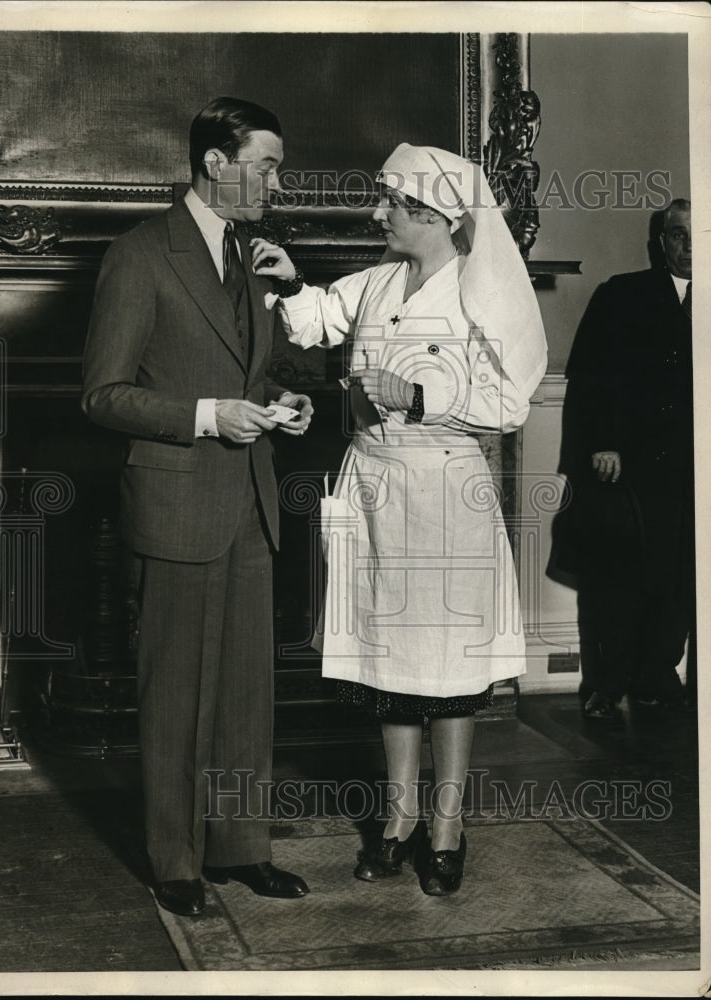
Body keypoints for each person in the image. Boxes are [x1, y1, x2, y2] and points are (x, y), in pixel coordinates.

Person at [251, 144, 547, 895]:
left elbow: (509, 406)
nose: (378, 213)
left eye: (389, 203)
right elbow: (316, 318)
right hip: (375, 495)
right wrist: (290, 283)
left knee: (448, 675)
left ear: (433, 215)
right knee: (390, 671)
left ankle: (446, 827)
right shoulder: (380, 281)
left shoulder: (480, 296)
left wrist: (420, 398)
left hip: (447, 496)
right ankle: (399, 820)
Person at [82, 97, 313, 917]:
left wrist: (286, 401)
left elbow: (266, 365)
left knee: (247, 692)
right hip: (176, 501)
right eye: (267, 164)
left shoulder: (251, 254)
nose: (276, 182)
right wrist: (209, 416)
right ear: (216, 162)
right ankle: (175, 861)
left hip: (249, 502)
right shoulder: (142, 255)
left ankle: (242, 848)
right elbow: (103, 395)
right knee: (176, 693)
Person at [554, 199, 694, 720]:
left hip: (694, 470)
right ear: (662, 242)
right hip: (633, 467)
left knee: (680, 577)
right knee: (618, 579)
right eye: (677, 235)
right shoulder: (624, 294)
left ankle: (659, 675)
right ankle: (606, 686)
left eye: (697, 234)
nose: (688, 247)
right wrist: (604, 442)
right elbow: (593, 377)